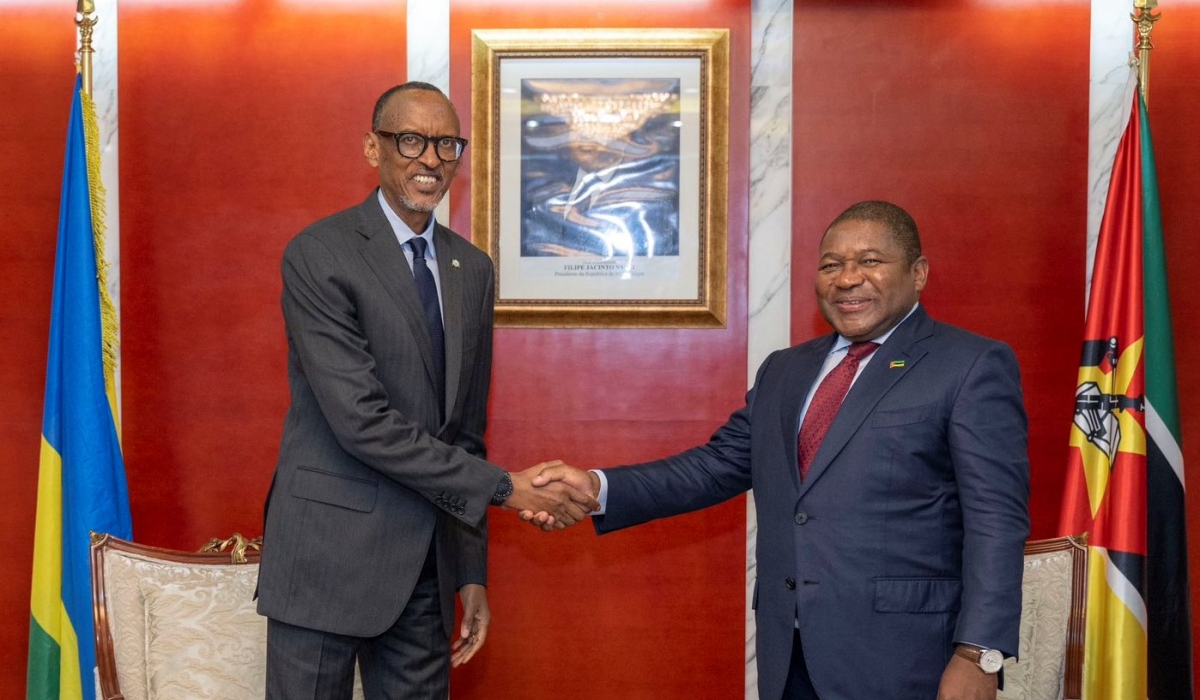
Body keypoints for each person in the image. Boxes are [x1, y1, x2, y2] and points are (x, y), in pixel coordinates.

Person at [528, 201, 1031, 700]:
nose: (847, 278)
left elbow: (997, 521)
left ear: (918, 273)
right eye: (831, 265)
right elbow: (717, 466)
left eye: (870, 262)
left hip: (908, 658)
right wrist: (599, 486)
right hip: (789, 653)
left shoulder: (970, 365)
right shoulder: (785, 370)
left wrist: (978, 655)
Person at [256, 82, 596, 700]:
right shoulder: (319, 255)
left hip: (424, 569)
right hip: (326, 558)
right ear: (372, 148)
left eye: (447, 144)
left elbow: (464, 431)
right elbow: (362, 422)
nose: (431, 160)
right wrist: (505, 489)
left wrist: (470, 571)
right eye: (410, 140)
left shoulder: (472, 269)